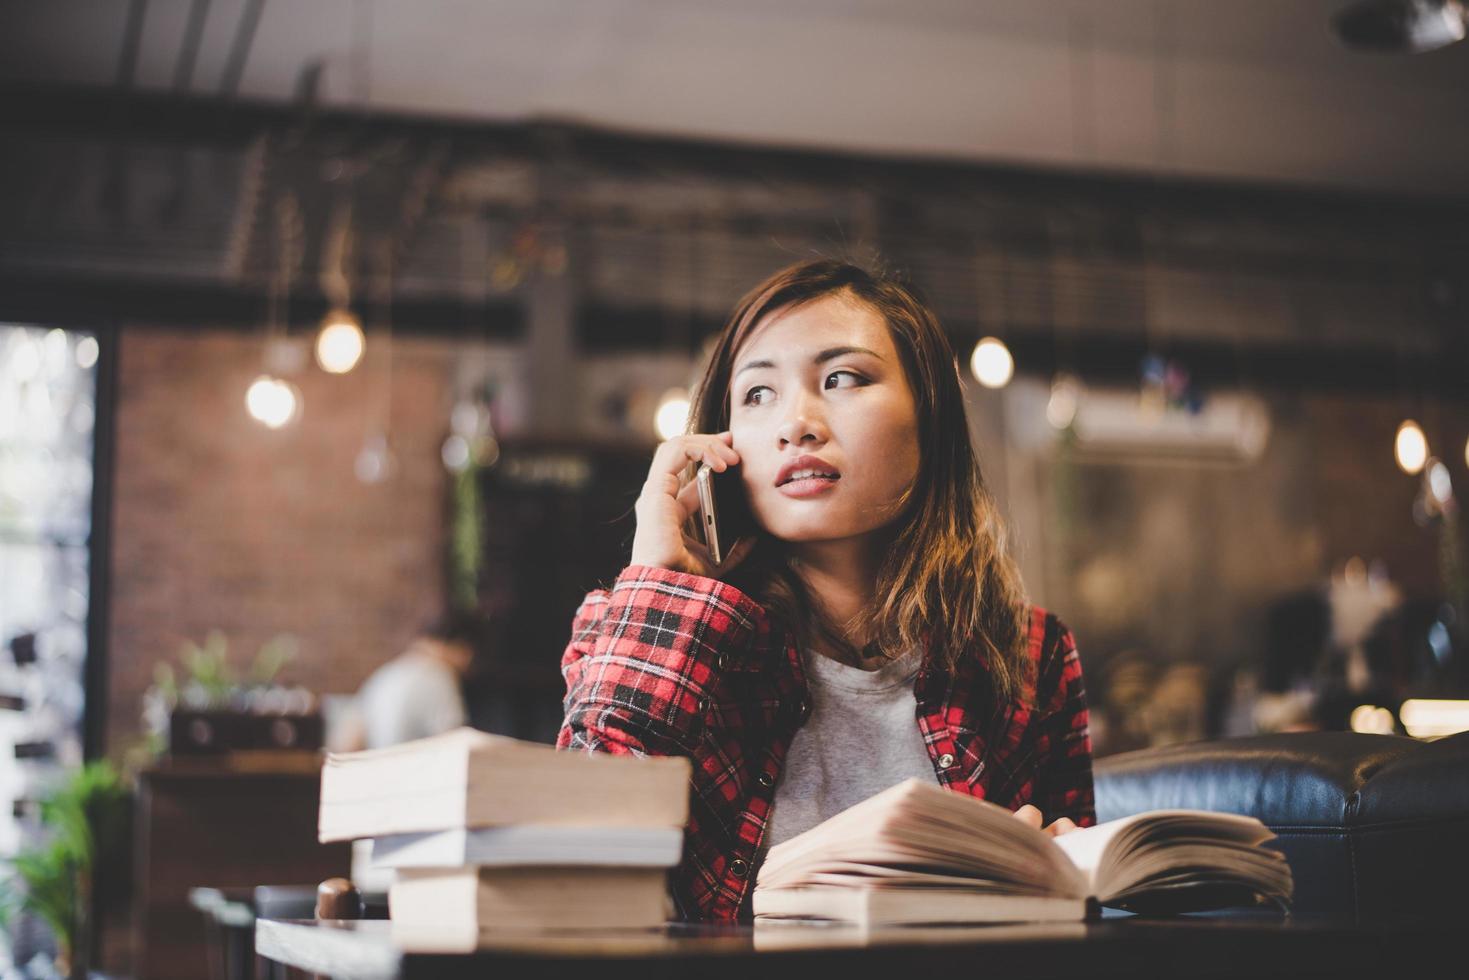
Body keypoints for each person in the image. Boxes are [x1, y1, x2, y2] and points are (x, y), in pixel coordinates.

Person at [557, 259, 1094, 923]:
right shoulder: (629, 630)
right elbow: (579, 867)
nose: (795, 424)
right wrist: (662, 587)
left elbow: (1082, 913)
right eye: (757, 395)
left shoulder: (1028, 653)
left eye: (841, 378)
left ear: (928, 420)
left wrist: (1061, 874)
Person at [343, 610, 488, 751]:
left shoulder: (385, 674)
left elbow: (348, 743)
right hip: (414, 772)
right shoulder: (438, 676)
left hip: (381, 770)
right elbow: (456, 748)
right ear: (462, 648)